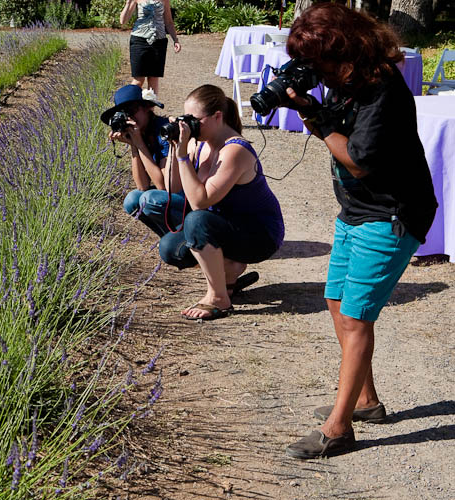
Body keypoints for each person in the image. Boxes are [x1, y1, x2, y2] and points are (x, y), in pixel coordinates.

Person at [282, 3, 437, 459]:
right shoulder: (346, 83)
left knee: (355, 317)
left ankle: (338, 428)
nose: (316, 72)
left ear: (344, 49)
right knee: (336, 302)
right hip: (356, 210)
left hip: (391, 214)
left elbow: (357, 161)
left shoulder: (381, 89)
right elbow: (336, 132)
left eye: (318, 62)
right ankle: (365, 401)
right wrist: (312, 110)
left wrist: (318, 122)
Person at [159, 84, 284, 320]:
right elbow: (171, 188)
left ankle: (219, 298)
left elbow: (199, 202)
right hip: (227, 225)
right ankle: (229, 273)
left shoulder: (235, 150)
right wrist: (175, 149)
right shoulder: (199, 144)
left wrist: (184, 156)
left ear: (217, 116)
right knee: (170, 249)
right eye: (186, 119)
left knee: (196, 221)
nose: (190, 126)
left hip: (260, 233)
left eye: (195, 120)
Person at [102, 84, 184, 237]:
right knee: (132, 200)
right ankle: (172, 239)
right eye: (124, 114)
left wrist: (139, 143)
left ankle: (183, 238)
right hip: (173, 196)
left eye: (132, 110)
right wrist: (134, 145)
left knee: (150, 200)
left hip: (187, 196)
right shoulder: (142, 132)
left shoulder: (164, 131)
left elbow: (162, 185)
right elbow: (142, 185)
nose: (129, 118)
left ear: (147, 107)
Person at [120, 0, 181, 98]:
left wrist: (175, 40)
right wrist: (128, 3)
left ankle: (151, 106)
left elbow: (168, 21)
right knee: (139, 80)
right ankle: (127, 104)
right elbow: (123, 21)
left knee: (153, 79)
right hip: (139, 40)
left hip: (159, 41)